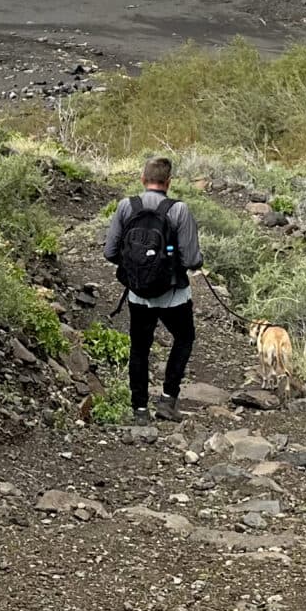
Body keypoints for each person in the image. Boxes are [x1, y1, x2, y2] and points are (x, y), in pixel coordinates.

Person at [102, 155, 202, 422]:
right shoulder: (179, 210)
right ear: (168, 182)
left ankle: (140, 410)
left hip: (137, 294)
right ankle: (168, 400)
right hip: (173, 295)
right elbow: (192, 260)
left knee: (140, 348)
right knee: (184, 338)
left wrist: (137, 268)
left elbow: (110, 251)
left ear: (143, 179)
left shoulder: (127, 206)